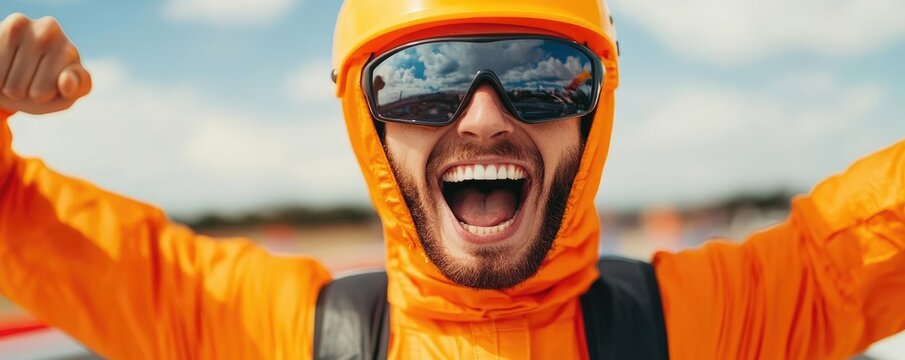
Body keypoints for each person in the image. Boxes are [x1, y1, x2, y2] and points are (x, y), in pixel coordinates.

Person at [1, 1, 903, 359]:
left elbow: (862, 245)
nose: (481, 117)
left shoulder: (707, 327)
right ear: (367, 118)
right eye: (424, 81)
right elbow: (25, 224)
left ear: (594, 108)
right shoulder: (273, 336)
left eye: (543, 73)